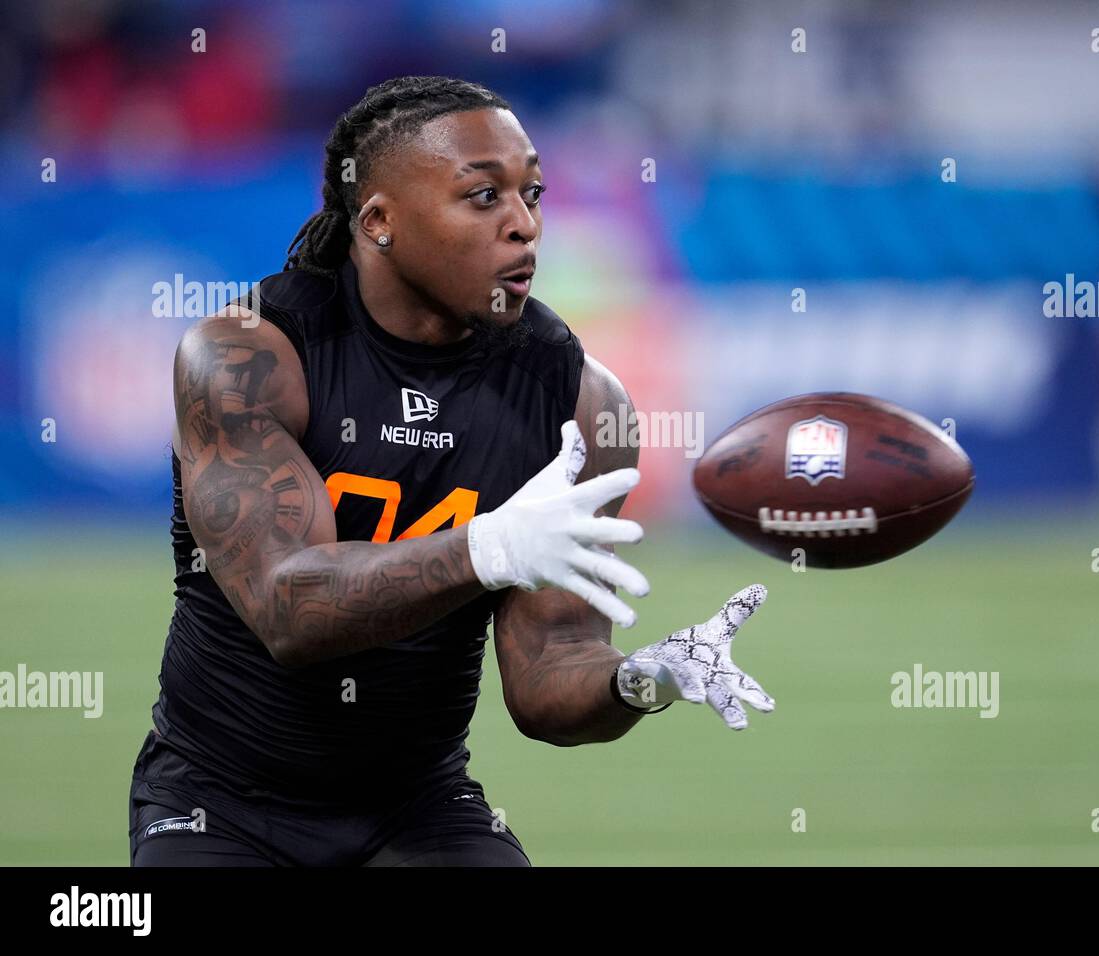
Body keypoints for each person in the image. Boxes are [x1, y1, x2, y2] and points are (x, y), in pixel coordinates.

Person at [129, 76, 774, 867]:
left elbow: (548, 678)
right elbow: (288, 609)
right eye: (483, 196)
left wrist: (640, 681)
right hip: (220, 801)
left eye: (532, 194)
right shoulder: (251, 354)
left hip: (416, 805)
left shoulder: (577, 400)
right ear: (379, 221)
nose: (526, 226)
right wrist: (486, 548)